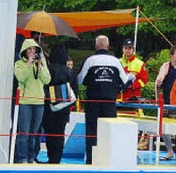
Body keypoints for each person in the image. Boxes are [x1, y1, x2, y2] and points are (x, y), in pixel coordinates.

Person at [78, 35, 134, 164]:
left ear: (96, 46)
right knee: (109, 130)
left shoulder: (90, 61)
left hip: (93, 102)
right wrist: (131, 77)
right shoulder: (115, 61)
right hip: (109, 102)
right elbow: (125, 80)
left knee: (92, 131)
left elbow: (80, 80)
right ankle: (108, 159)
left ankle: (91, 159)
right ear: (108, 46)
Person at [13, 38, 51, 163]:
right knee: (24, 132)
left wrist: (39, 67)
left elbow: (47, 80)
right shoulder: (19, 64)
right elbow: (21, 77)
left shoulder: (41, 64)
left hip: (39, 101)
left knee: (34, 133)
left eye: (34, 49)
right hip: (25, 102)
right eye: (30, 49)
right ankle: (22, 157)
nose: (32, 51)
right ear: (24, 50)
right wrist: (29, 64)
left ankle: (31, 156)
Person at [42, 45, 76, 164]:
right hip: (64, 108)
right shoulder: (70, 72)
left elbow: (44, 85)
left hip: (49, 107)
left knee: (49, 133)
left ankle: (50, 157)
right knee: (60, 133)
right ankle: (57, 159)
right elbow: (74, 91)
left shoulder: (48, 69)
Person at [155, 45, 176, 161]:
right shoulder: (165, 67)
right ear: (171, 56)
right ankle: (170, 151)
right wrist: (159, 82)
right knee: (164, 128)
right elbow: (158, 83)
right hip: (167, 100)